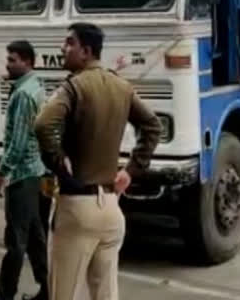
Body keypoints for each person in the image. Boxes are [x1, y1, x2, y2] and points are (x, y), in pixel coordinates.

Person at [34, 22, 162, 300]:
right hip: (111, 208)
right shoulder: (121, 86)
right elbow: (153, 126)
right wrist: (131, 170)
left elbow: (43, 124)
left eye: (69, 43)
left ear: (86, 51)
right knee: (105, 294)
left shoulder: (73, 88)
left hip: (77, 206)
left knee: (63, 294)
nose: (63, 48)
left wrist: (57, 159)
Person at [0, 40, 49, 300]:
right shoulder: (34, 85)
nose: (8, 64)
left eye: (13, 60)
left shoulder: (24, 95)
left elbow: (19, 142)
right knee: (36, 237)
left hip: (22, 176)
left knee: (16, 242)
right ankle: (48, 290)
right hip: (35, 172)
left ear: (27, 61)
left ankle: (5, 295)